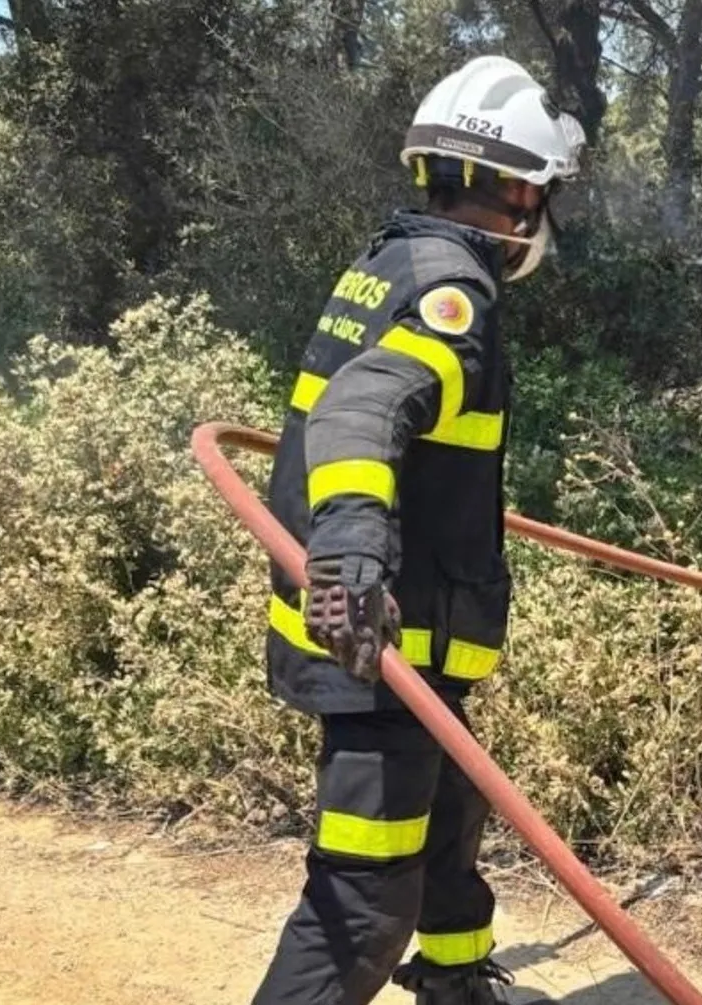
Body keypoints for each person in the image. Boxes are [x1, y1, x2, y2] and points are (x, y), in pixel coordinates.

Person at [252, 55, 584, 1005]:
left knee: (448, 807)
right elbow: (360, 409)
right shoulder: (455, 296)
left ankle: (454, 979)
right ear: (519, 191)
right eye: (541, 192)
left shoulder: (388, 263)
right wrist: (351, 558)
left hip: (397, 634)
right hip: (378, 638)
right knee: (362, 903)